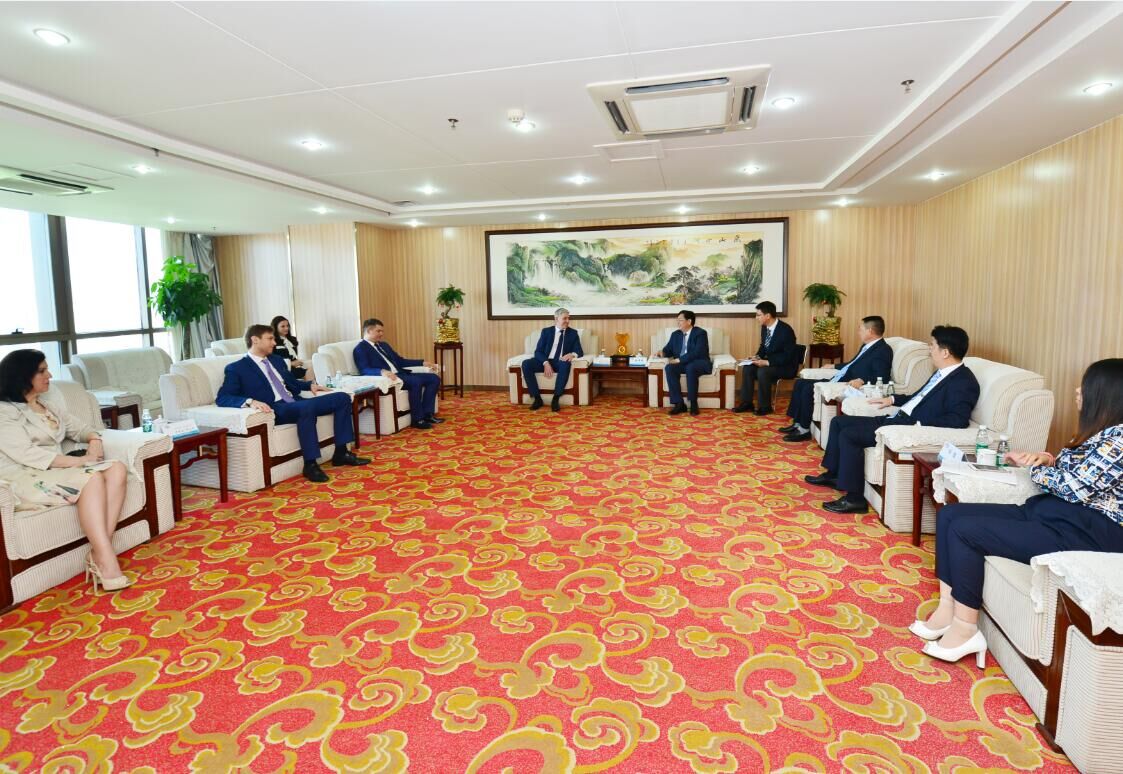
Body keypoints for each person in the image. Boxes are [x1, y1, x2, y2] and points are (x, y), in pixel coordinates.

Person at [910, 358, 1123, 668]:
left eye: (1085, 385)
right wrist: (1047, 459)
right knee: (949, 516)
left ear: (1106, 394)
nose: (1078, 390)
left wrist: (1034, 469)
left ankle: (966, 629)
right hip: (1056, 514)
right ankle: (947, 608)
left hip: (1086, 531)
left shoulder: (1119, 440)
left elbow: (1075, 487)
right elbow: (1080, 473)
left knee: (965, 531)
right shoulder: (1101, 434)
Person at [806, 325, 980, 514]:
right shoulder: (941, 373)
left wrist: (918, 424)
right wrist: (892, 399)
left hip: (908, 426)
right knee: (839, 422)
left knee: (850, 435)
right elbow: (918, 397)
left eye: (933, 345)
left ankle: (854, 499)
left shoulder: (964, 382)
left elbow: (958, 420)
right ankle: (834, 475)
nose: (930, 349)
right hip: (898, 417)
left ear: (945, 352)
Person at [0, 349, 133, 592]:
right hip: (23, 475)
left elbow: (82, 429)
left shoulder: (47, 406)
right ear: (23, 375)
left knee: (117, 469)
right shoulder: (4, 411)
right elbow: (27, 454)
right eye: (42, 371)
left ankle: (98, 553)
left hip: (54, 470)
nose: (49, 375)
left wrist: (94, 439)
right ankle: (107, 562)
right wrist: (82, 462)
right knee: (92, 478)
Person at [216, 324, 369, 482]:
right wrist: (250, 401)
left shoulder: (276, 360)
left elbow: (291, 383)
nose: (274, 343)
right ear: (255, 340)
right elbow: (223, 397)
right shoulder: (237, 368)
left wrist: (309, 385)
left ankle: (341, 452)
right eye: (270, 339)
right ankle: (310, 464)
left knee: (342, 398)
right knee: (306, 407)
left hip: (296, 402)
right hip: (277, 408)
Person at [779, 316, 894, 442]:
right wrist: (834, 366)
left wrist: (862, 380)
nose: (858, 332)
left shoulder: (883, 350)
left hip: (847, 383)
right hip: (838, 378)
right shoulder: (867, 346)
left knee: (808, 388)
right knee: (800, 383)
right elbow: (852, 363)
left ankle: (804, 430)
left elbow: (882, 376)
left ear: (870, 331)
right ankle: (797, 423)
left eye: (860, 329)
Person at [353, 318, 444, 428]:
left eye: (382, 331)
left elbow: (400, 361)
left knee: (434, 378)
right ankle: (417, 420)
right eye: (378, 331)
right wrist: (381, 371)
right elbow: (364, 369)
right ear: (369, 331)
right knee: (416, 381)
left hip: (402, 374)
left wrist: (422, 362)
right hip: (392, 378)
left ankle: (428, 414)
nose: (381, 334)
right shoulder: (360, 349)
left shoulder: (383, 345)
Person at [733, 301, 800, 416]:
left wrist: (767, 362)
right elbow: (764, 346)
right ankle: (747, 403)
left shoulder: (786, 331)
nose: (756, 318)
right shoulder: (765, 327)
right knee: (748, 368)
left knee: (763, 371)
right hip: (772, 364)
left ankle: (765, 407)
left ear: (768, 316)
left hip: (786, 367)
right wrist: (756, 357)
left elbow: (787, 356)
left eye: (758, 315)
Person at [520, 308, 583, 412]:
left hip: (560, 361)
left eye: (568, 318)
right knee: (526, 364)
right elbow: (538, 351)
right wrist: (546, 363)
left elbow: (579, 351)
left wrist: (572, 354)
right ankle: (537, 398)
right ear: (556, 318)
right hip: (545, 360)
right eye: (565, 318)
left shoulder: (573, 333)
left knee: (566, 364)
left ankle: (555, 398)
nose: (567, 321)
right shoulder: (546, 332)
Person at [655, 310, 712, 416]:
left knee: (691, 367)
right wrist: (662, 353)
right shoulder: (675, 334)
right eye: (677, 320)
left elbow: (697, 352)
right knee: (669, 368)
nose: (678, 323)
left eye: (680, 320)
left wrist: (679, 360)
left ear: (689, 321)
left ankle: (693, 403)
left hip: (700, 362)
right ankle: (679, 404)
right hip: (684, 364)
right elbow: (668, 350)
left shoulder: (700, 333)